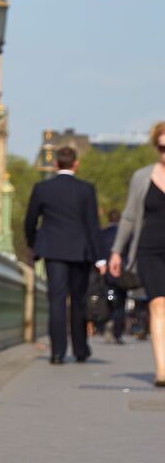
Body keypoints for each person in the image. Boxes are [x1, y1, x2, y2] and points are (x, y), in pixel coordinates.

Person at [23, 146, 104, 365]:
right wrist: (100, 257)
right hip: (80, 252)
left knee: (56, 302)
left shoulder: (42, 188)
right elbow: (92, 226)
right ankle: (80, 349)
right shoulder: (86, 190)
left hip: (53, 251)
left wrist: (34, 244)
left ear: (56, 164)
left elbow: (30, 221)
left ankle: (57, 352)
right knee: (78, 301)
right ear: (76, 164)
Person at [109, 121, 165, 386]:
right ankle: (161, 370)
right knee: (158, 304)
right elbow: (129, 217)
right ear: (156, 147)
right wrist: (116, 251)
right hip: (150, 249)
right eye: (163, 147)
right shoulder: (142, 177)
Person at [97, 204, 127, 345]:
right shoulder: (126, 234)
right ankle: (118, 332)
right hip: (122, 273)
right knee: (121, 303)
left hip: (106, 272)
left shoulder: (102, 233)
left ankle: (107, 322)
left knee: (107, 299)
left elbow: (98, 251)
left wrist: (100, 264)